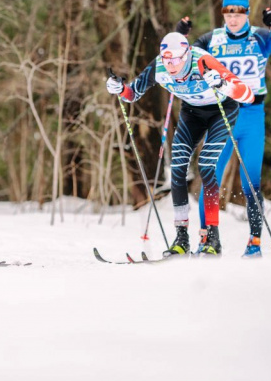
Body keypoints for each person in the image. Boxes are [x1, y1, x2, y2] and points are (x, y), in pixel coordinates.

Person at [176, 0, 271, 257]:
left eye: (239, 12)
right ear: (223, 13)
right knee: (210, 177)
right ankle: (209, 240)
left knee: (251, 181)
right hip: (221, 115)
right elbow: (183, 60)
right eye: (228, 12)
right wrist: (181, 37)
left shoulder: (261, 36)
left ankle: (254, 242)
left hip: (252, 117)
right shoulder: (212, 39)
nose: (233, 18)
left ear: (247, 12)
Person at [106, 32, 254, 256]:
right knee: (177, 168)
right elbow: (132, 93)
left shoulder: (203, 61)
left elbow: (248, 95)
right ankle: (181, 237)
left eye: (176, 59)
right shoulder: (159, 67)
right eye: (167, 60)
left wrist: (223, 84)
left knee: (205, 165)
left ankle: (212, 237)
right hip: (192, 113)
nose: (171, 65)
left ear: (186, 55)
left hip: (220, 110)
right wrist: (119, 88)